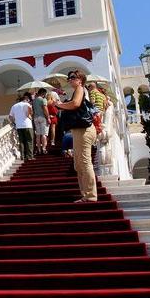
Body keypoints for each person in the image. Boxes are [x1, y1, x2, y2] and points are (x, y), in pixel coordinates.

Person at [56, 70, 97, 203]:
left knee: (84, 163)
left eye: (73, 77)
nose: (70, 79)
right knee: (78, 165)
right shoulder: (77, 90)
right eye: (69, 78)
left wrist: (59, 105)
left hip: (84, 130)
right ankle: (85, 194)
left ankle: (91, 195)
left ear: (80, 80)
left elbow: (75, 104)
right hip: (79, 130)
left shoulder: (80, 88)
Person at [9, 92, 34, 161]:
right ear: (26, 99)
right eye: (28, 99)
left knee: (21, 141)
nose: (29, 100)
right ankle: (29, 156)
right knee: (29, 140)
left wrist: (14, 122)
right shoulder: (27, 104)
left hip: (19, 126)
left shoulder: (14, 106)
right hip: (27, 125)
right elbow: (30, 113)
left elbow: (10, 116)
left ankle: (22, 156)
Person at [32, 88, 50, 154]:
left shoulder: (34, 101)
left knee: (38, 135)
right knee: (44, 134)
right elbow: (45, 109)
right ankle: (44, 148)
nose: (45, 95)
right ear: (43, 93)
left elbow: (33, 110)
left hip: (36, 118)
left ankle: (39, 149)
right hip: (42, 117)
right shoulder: (43, 100)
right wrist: (48, 118)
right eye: (45, 94)